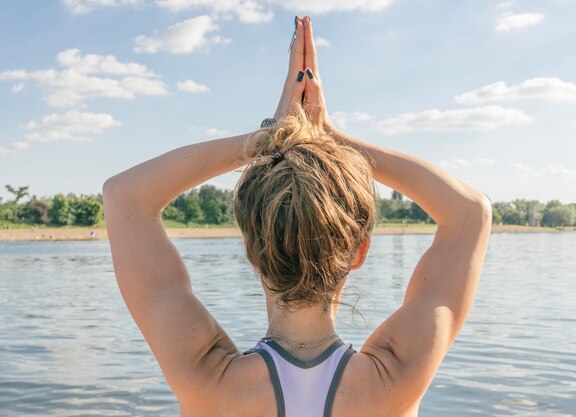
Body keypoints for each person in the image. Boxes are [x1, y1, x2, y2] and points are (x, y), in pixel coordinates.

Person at [103, 15, 492, 417]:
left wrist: (265, 138)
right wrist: (335, 139)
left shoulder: (207, 379)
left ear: (252, 250)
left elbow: (125, 196)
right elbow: (470, 212)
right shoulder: (394, 378)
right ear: (359, 252)